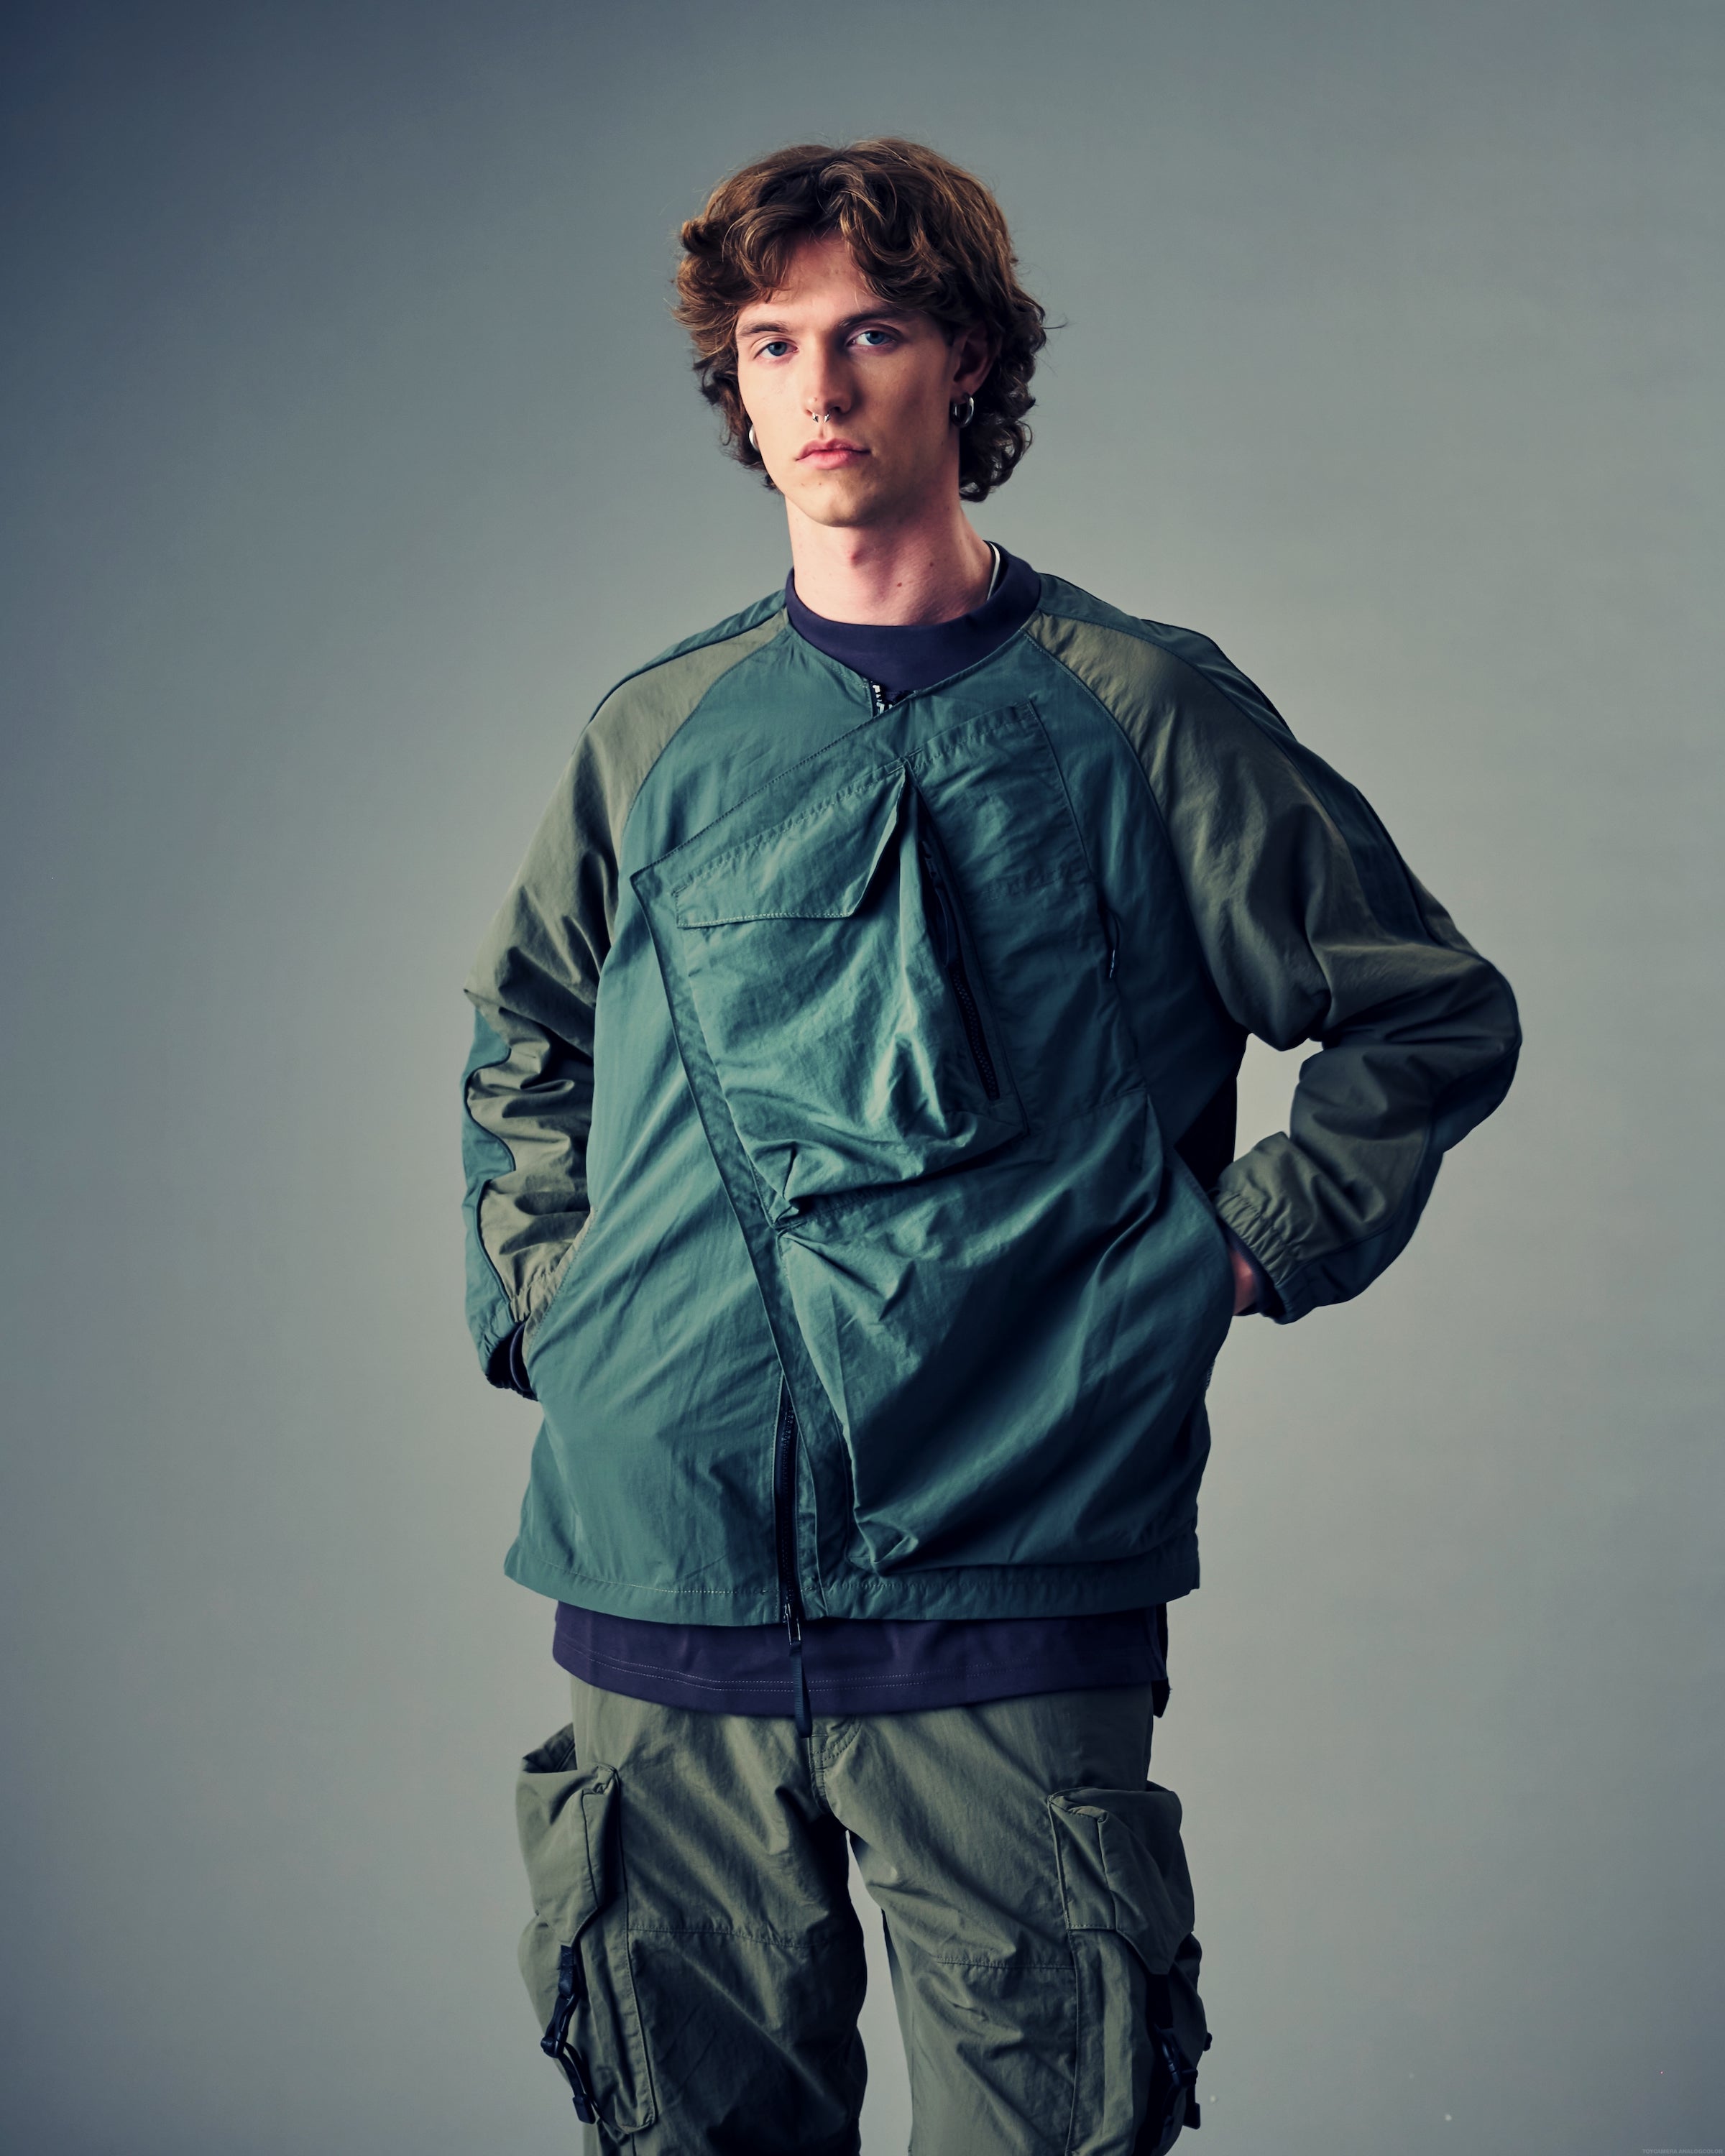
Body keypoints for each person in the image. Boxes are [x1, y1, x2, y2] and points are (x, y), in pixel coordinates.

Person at [459, 137, 1519, 2155]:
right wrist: (560, 1315)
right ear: (736, 379)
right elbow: (527, 1037)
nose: (819, 386)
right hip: (662, 1557)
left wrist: (1236, 1254)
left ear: (967, 361)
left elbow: (1425, 1008)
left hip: (1016, 1557)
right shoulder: (657, 733)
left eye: (871, 331)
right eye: (773, 342)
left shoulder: (1146, 712)